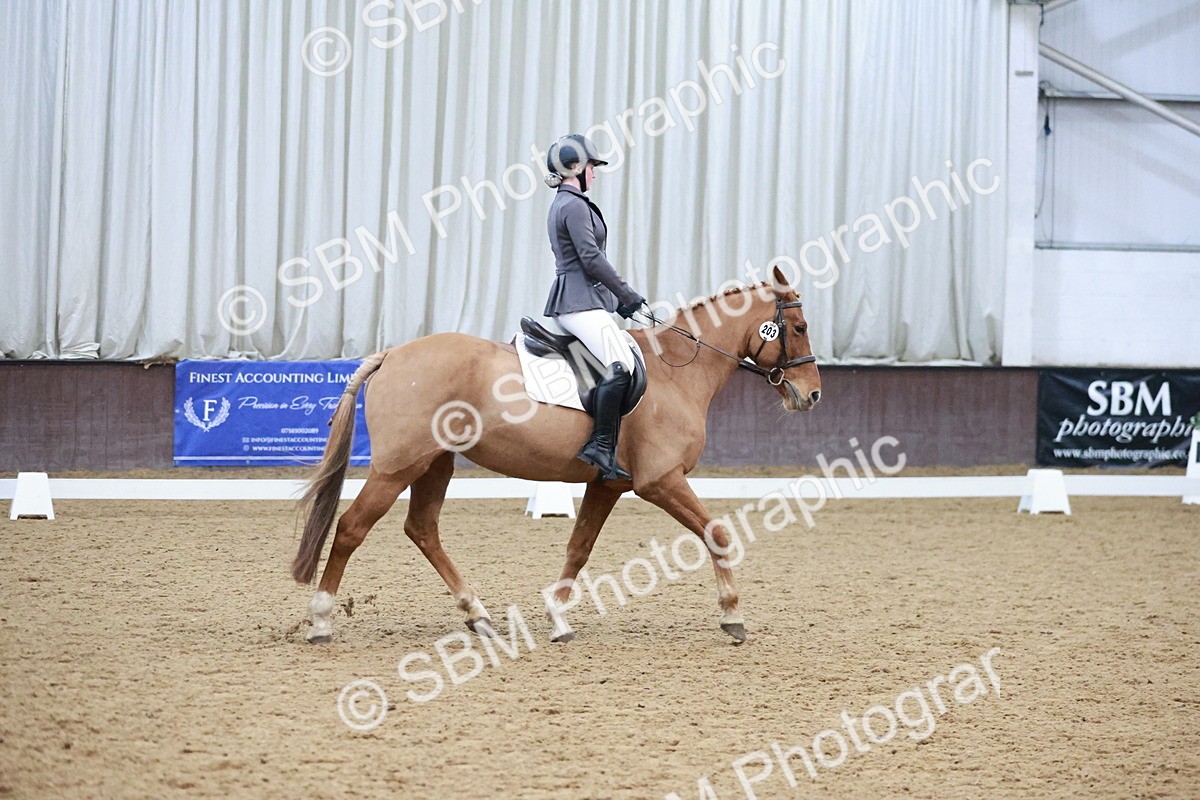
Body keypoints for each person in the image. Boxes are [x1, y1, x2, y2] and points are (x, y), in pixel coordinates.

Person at [542, 134, 647, 481]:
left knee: (619, 361)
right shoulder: (571, 205)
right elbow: (590, 258)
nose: (595, 173)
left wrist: (619, 302)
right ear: (574, 168)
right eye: (591, 167)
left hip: (584, 298)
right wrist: (627, 294)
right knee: (621, 365)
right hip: (578, 301)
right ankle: (600, 445)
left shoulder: (570, 202)